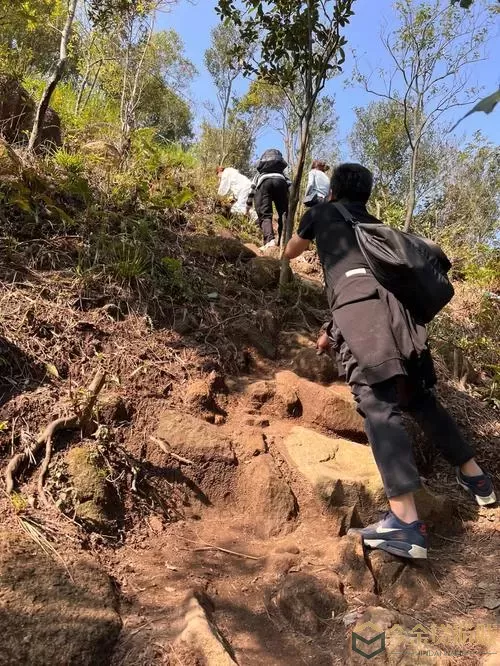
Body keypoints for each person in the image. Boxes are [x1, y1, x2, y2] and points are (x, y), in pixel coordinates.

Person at [284, 162, 496, 560]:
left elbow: (292, 251)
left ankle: (405, 523)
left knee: (378, 404)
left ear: (333, 191)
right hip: (400, 321)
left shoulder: (323, 212)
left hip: (362, 318)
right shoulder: (375, 226)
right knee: (418, 400)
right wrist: (332, 330)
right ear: (366, 195)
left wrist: (297, 232)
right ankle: (478, 481)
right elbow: (371, 280)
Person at [246, 149, 291, 250]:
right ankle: (283, 242)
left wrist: (248, 207)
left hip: (264, 183)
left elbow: (252, 189)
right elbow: (290, 185)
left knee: (265, 214)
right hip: (281, 183)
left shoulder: (259, 174)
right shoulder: (282, 174)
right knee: (283, 214)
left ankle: (269, 240)